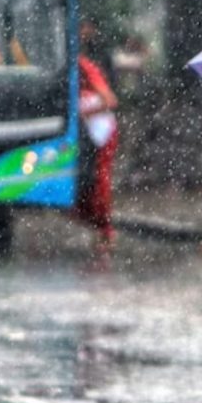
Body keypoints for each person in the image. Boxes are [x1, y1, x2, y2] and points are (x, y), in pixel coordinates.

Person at [77, 20, 119, 246]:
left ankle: (105, 228)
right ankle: (96, 223)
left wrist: (84, 112)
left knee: (101, 179)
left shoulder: (85, 66)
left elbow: (110, 100)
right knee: (88, 180)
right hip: (86, 132)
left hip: (101, 131)